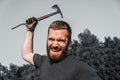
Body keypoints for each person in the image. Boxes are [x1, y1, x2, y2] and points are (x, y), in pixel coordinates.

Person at [22, 17, 102, 80]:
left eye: (61, 40)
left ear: (69, 42)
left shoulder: (79, 67)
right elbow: (26, 54)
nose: (55, 44)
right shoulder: (43, 61)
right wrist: (30, 30)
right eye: (51, 39)